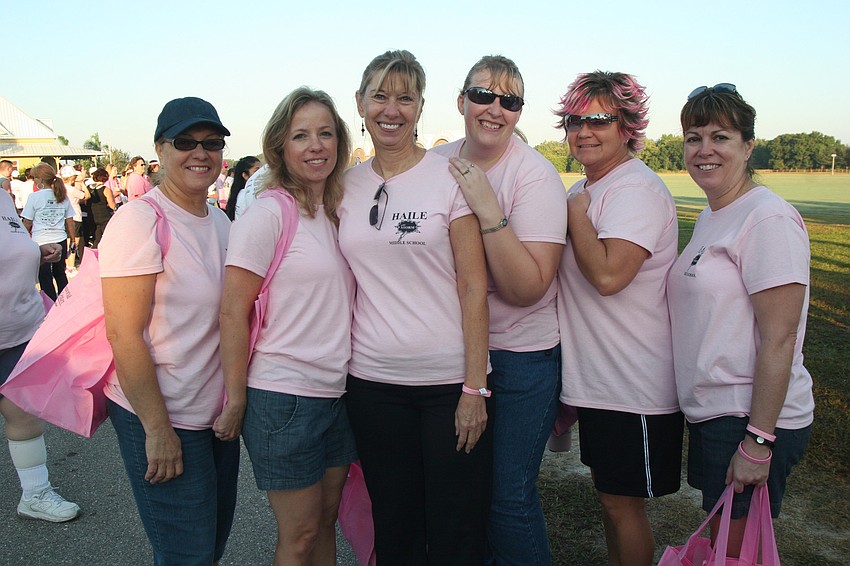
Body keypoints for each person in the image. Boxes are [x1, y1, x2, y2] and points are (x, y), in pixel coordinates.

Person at [338, 49, 492, 565]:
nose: (391, 110)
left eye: (405, 98)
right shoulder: (344, 186)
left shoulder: (451, 177)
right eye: (379, 96)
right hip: (373, 385)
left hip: (448, 385)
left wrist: (474, 388)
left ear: (421, 107)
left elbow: (473, 285)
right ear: (360, 102)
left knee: (456, 528)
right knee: (395, 524)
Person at [431, 54, 566, 566]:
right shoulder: (434, 163)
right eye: (483, 95)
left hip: (519, 357)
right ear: (461, 101)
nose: (495, 108)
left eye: (509, 101)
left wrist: (487, 207)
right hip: (455, 352)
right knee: (465, 492)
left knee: (508, 498)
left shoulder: (535, 176)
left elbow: (527, 288)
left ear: (519, 112)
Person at [667, 84, 814, 557]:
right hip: (715, 413)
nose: (704, 150)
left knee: (734, 552)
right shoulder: (714, 215)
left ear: (748, 146)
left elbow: (780, 337)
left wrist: (758, 441)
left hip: (749, 418)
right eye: (693, 138)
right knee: (725, 546)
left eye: (720, 137)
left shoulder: (767, 219)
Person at [216, 87, 357, 565]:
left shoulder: (336, 212)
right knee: (299, 535)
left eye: (325, 133)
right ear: (280, 146)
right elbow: (233, 311)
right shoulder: (268, 213)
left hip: (337, 393)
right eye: (301, 136)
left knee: (326, 521)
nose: (316, 145)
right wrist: (236, 399)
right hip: (283, 397)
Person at [99, 96, 239, 565]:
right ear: (160, 149)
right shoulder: (139, 220)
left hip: (213, 416)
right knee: (186, 554)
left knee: (211, 544)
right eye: (185, 142)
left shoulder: (219, 220)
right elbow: (123, 335)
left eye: (212, 143)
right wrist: (157, 429)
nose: (201, 153)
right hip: (163, 413)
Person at [555, 71, 682, 566]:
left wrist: (575, 214)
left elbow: (609, 276)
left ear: (627, 126)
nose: (583, 131)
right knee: (610, 500)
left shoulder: (635, 190)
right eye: (574, 121)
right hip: (602, 381)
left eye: (599, 120)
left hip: (633, 384)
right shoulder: (588, 187)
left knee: (621, 505)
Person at [0, 190, 81, 523]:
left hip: (19, 331)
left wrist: (36, 253)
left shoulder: (3, 197)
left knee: (23, 414)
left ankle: (35, 494)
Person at [21, 163, 76, 300]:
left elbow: (27, 222)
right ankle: (66, 301)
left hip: (40, 240)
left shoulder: (34, 197)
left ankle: (50, 303)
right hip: (60, 238)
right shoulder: (62, 195)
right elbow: (70, 221)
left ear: (39, 179)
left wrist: (22, 239)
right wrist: (73, 239)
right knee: (60, 273)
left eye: (35, 177)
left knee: (44, 276)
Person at [223, 155, 261, 221]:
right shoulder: (246, 195)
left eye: (261, 170)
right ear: (245, 175)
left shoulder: (240, 193)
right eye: (256, 171)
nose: (261, 173)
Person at [87, 167, 117, 248]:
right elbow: (112, 205)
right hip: (104, 217)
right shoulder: (105, 189)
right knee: (108, 238)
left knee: (96, 239)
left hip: (92, 217)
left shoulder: (88, 188)